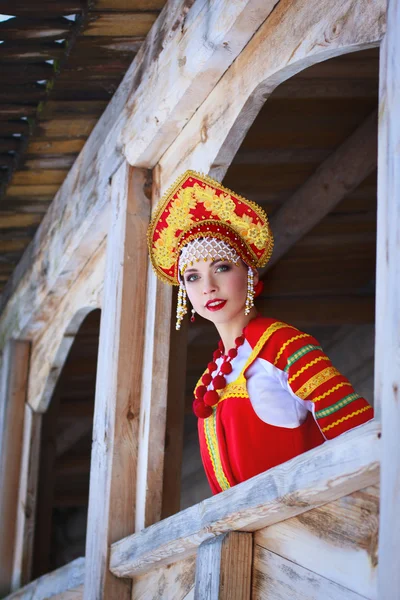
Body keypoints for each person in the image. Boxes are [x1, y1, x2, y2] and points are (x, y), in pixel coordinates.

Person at [147, 170, 374, 495]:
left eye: (222, 268)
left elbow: (358, 431)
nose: (208, 287)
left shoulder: (282, 345)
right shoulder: (208, 380)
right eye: (193, 277)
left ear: (249, 273)